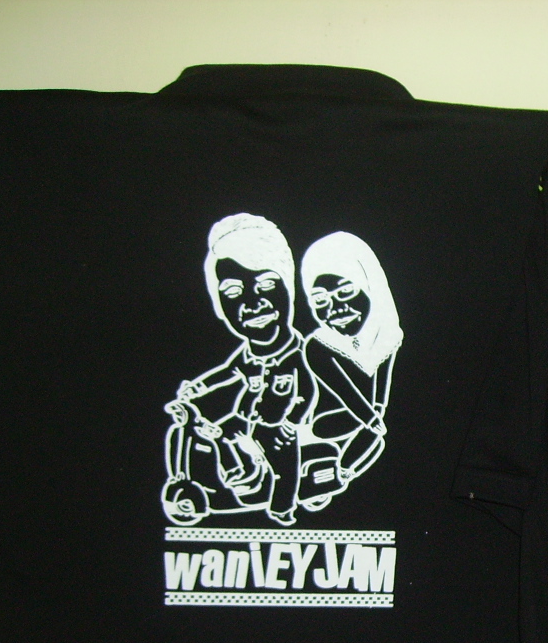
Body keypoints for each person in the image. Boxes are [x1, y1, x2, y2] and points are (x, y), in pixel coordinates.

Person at [163, 213, 315, 526]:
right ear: (219, 306)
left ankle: (282, 507)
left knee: (284, 463)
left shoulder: (299, 355)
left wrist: (292, 423)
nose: (253, 303)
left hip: (278, 427)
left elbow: (308, 391)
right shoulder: (247, 355)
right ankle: (238, 473)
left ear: (290, 288)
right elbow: (228, 373)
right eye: (233, 292)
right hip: (247, 419)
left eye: (266, 284)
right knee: (219, 430)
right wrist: (198, 387)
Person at [298, 231, 403, 510]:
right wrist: (370, 419)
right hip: (323, 424)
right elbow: (344, 391)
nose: (336, 308)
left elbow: (380, 396)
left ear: (370, 286)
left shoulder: (388, 336)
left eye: (346, 292)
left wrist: (374, 418)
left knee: (374, 441)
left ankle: (340, 475)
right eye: (320, 300)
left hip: (362, 423)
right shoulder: (317, 345)